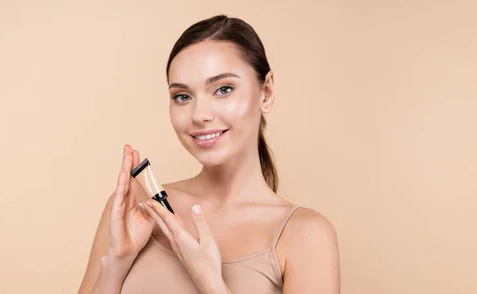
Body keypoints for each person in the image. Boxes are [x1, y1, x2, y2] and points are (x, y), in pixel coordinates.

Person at [78, 14, 340, 294]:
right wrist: (117, 263)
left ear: (266, 92)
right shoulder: (135, 211)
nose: (199, 115)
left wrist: (209, 281)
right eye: (183, 96)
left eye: (223, 89)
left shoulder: (305, 235)